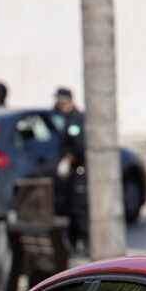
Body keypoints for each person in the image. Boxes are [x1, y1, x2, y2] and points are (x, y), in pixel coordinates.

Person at [50, 87, 87, 248]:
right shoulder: (65, 118)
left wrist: (68, 159)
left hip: (79, 171)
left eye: (60, 101)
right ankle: (74, 243)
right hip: (72, 173)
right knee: (71, 209)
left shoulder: (76, 119)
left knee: (80, 209)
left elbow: (79, 146)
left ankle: (85, 243)